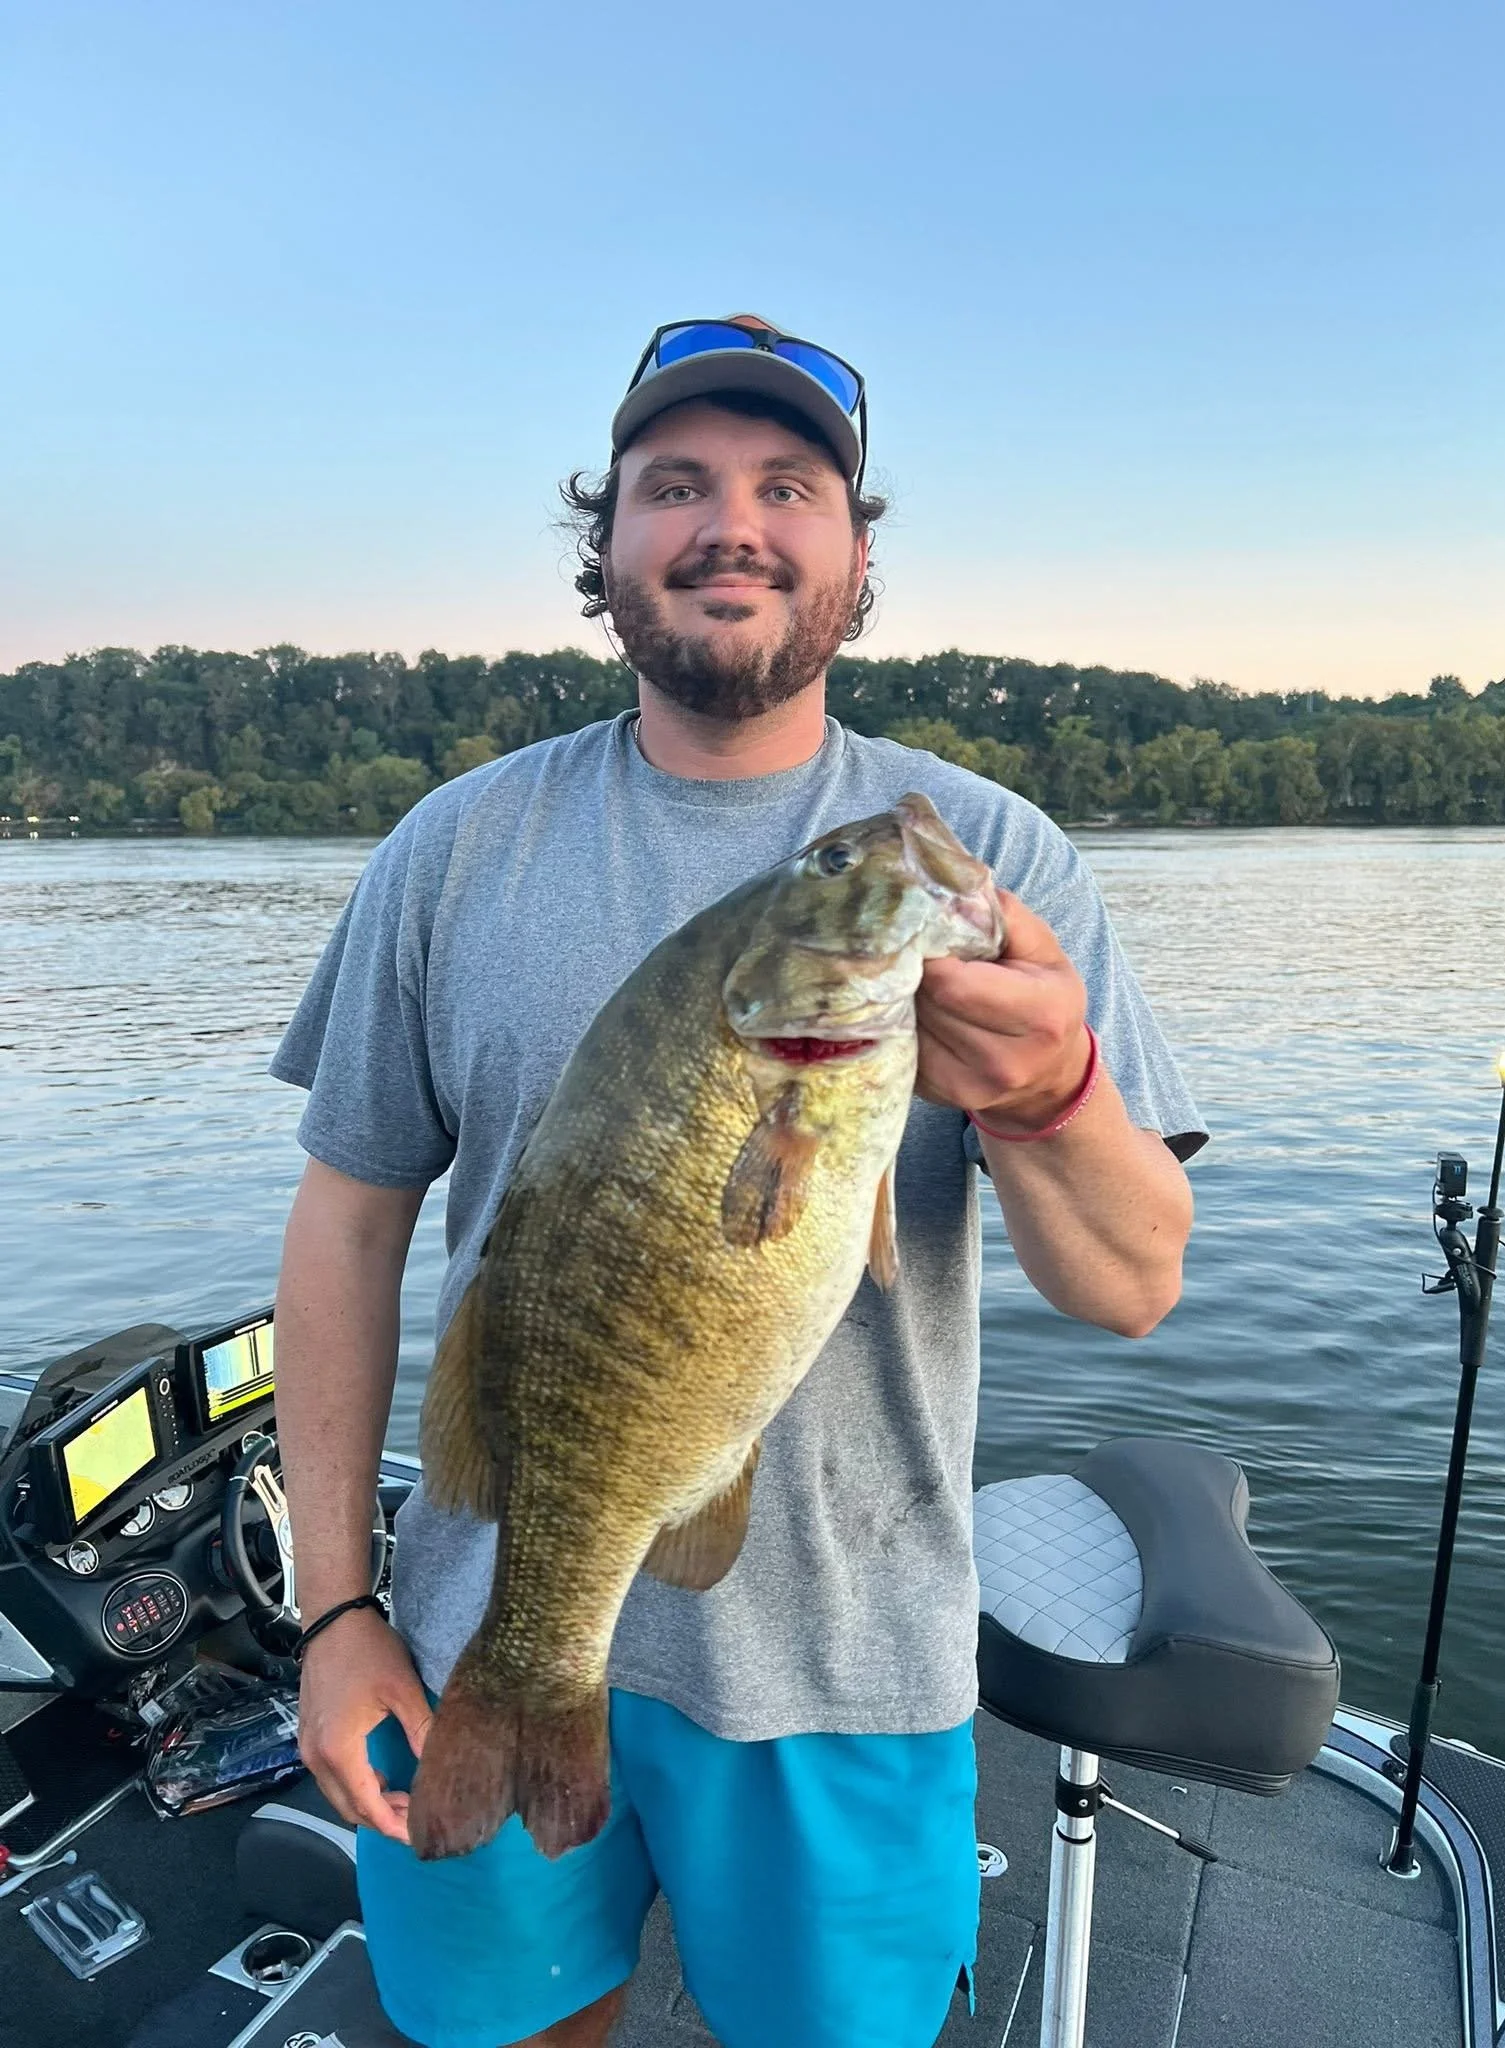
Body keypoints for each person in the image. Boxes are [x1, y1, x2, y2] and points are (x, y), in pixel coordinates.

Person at [270, 314, 1206, 2048]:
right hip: (487, 1613)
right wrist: (335, 1607)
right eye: (674, 484)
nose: (733, 525)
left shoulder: (994, 857)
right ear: (607, 541)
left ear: (855, 555)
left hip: (851, 1662)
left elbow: (1134, 1286)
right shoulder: (453, 848)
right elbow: (344, 1232)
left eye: (791, 486)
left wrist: (1055, 1095)